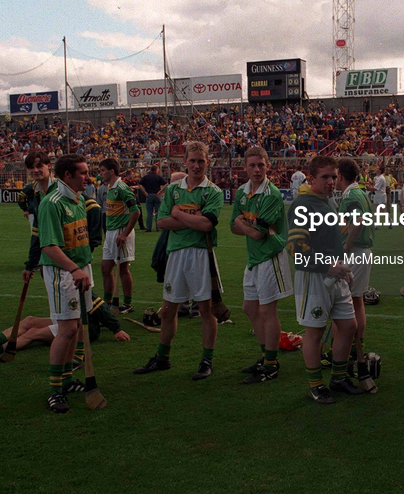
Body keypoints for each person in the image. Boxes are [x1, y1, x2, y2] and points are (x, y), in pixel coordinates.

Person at [134, 141, 223, 381]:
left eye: (201, 161)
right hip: (175, 254)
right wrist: (193, 218)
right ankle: (162, 358)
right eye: (192, 160)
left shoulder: (213, 191)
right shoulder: (174, 189)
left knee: (206, 310)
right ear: (185, 161)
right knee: (169, 309)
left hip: (201, 254)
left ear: (207, 162)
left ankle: (206, 361)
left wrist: (178, 214)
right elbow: (162, 223)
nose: (196, 165)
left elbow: (207, 224)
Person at [286, 156, 362, 404]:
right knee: (315, 331)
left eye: (334, 176)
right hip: (314, 278)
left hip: (334, 275)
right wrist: (328, 266)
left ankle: (338, 379)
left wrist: (343, 268)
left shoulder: (326, 201)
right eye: (325, 177)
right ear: (312, 179)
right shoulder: (302, 204)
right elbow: (297, 251)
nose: (331, 181)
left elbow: (333, 243)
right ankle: (316, 385)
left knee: (349, 326)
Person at [37, 154, 94, 414]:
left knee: (75, 328)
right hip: (64, 273)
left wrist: (83, 269)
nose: (87, 176)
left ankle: (68, 380)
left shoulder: (78, 199)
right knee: (67, 329)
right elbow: (49, 246)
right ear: (68, 175)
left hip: (81, 269)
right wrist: (74, 269)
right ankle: (54, 389)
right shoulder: (53, 202)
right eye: (82, 172)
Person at [231, 146, 291, 384]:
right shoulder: (241, 193)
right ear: (245, 167)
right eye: (252, 165)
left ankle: (271, 364)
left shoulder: (272, 194)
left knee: (267, 311)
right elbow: (233, 228)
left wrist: (240, 221)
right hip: (253, 259)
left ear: (268, 166)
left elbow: (256, 233)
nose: (257, 169)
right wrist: (241, 224)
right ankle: (266, 355)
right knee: (249, 308)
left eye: (261, 165)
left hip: (270, 256)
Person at [0, 296, 129, 358]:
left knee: (33, 333)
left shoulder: (70, 276)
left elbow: (99, 306)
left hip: (83, 328)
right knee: (29, 321)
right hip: (65, 319)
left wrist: (117, 329)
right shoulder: (55, 274)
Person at [335, 158, 378, 393]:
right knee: (357, 300)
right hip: (363, 251)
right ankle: (355, 345)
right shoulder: (359, 193)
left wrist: (345, 247)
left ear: (341, 175)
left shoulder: (351, 196)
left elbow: (358, 221)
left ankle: (351, 346)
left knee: (350, 301)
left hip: (355, 252)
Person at [99, 158, 140, 315]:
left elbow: (136, 211)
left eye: (103, 170)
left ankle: (128, 303)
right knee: (105, 268)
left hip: (121, 232)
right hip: (110, 232)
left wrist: (124, 234)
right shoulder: (109, 187)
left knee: (123, 269)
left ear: (111, 171)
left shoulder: (122, 188)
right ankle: (108, 302)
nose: (100, 174)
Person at [139, 165, 166, 232]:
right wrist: (160, 191)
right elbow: (166, 184)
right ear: (156, 170)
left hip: (149, 195)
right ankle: (158, 227)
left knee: (149, 213)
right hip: (157, 195)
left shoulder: (146, 177)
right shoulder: (158, 177)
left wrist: (145, 192)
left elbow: (140, 185)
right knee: (158, 212)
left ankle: (149, 228)